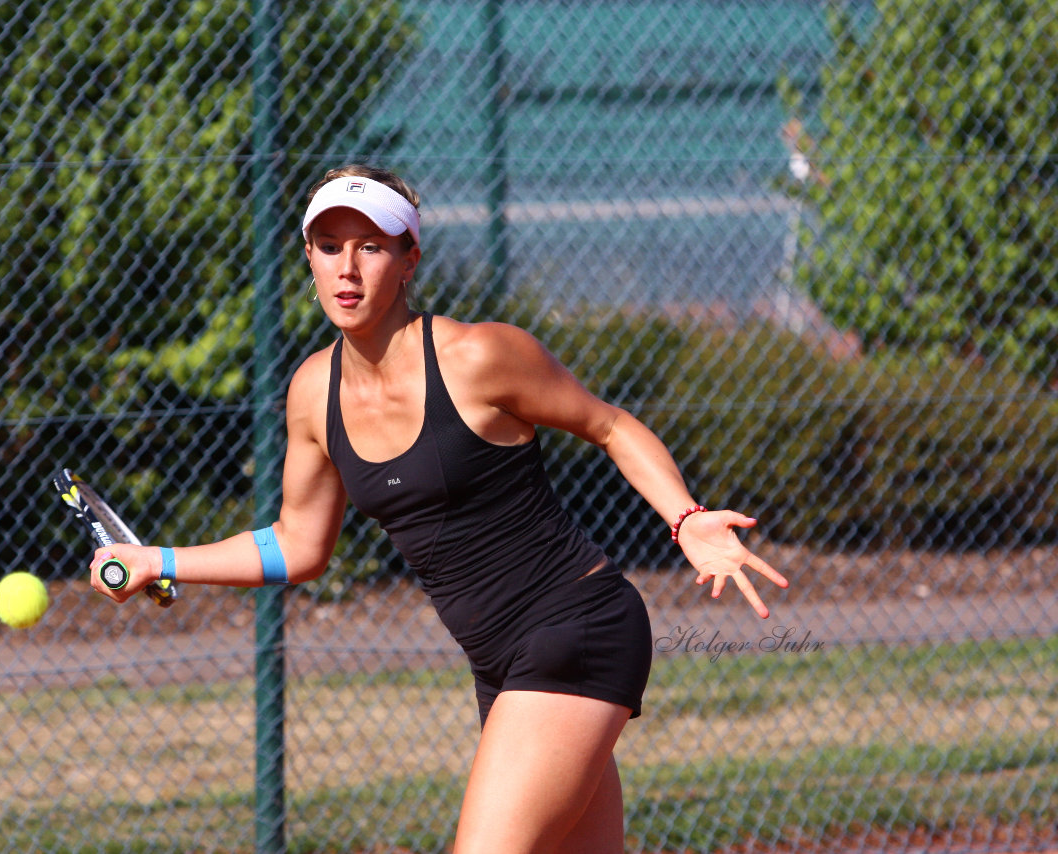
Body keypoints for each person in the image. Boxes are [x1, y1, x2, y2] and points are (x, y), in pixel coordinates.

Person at [90, 164, 789, 853]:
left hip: (575, 629)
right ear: (307, 257)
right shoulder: (312, 393)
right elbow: (299, 543)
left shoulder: (477, 356)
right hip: (500, 667)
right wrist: (159, 560)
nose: (348, 269)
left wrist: (685, 517)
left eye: (371, 246)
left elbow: (609, 425)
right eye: (329, 246)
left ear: (409, 258)